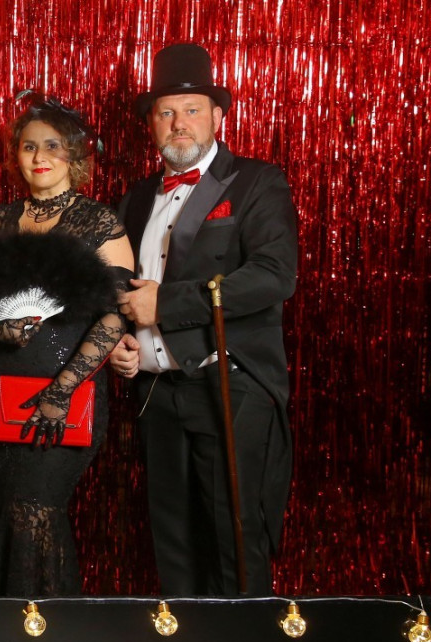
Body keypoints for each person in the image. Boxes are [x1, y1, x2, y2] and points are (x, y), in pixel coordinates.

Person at [109, 43, 298, 595]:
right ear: (151, 124)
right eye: (166, 112)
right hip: (157, 390)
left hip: (229, 384)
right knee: (172, 536)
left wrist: (165, 305)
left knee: (233, 534)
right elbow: (117, 284)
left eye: (191, 110)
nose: (179, 123)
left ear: (217, 116)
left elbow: (272, 277)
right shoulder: (136, 198)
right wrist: (119, 339)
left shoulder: (257, 182)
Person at [0, 94, 135, 597]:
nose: (40, 156)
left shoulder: (100, 223)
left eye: (53, 145)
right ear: (16, 156)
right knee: (1, 508)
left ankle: (45, 626)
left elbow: (114, 316)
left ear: (75, 155)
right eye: (29, 146)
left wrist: (61, 390)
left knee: (37, 509)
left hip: (66, 386)